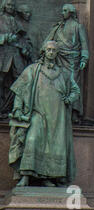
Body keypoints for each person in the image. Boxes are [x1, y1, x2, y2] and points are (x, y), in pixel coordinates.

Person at [8, 40, 79, 187]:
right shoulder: (33, 70)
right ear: (44, 51)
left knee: (55, 146)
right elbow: (20, 91)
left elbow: (75, 90)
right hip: (38, 113)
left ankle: (49, 178)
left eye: (54, 50)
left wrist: (69, 98)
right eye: (49, 50)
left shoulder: (64, 73)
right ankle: (25, 176)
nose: (51, 52)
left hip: (57, 117)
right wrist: (17, 109)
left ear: (57, 53)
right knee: (32, 140)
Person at [44, 4, 88, 122]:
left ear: (71, 13)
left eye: (65, 11)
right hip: (59, 58)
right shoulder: (59, 27)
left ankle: (73, 112)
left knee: (72, 84)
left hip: (73, 60)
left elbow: (84, 43)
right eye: (62, 10)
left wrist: (84, 58)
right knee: (59, 83)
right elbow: (50, 41)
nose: (62, 13)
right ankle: (57, 109)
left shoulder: (78, 27)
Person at [0, 0, 32, 116]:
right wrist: (6, 37)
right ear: (4, 6)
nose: (11, 7)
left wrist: (24, 47)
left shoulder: (14, 21)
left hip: (15, 54)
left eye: (13, 5)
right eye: (9, 5)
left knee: (19, 80)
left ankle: (16, 108)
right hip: (3, 55)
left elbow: (20, 36)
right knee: (1, 80)